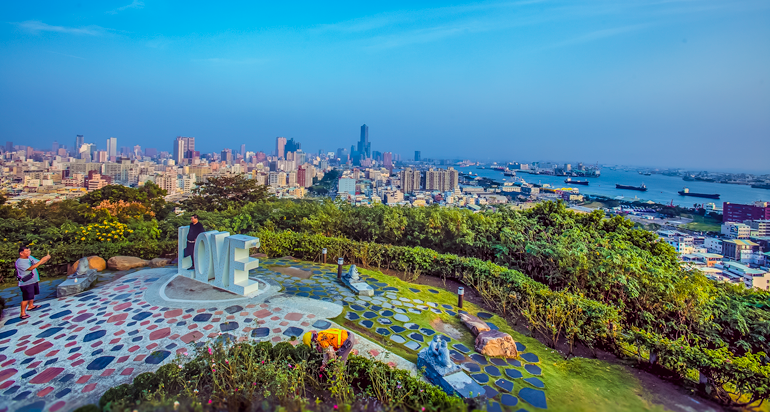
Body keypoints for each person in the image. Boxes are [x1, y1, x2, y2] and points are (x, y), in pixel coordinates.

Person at [15, 245, 50, 320]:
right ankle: (22, 313)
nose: (29, 252)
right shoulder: (20, 262)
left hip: (33, 280)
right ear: (21, 253)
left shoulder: (30, 257)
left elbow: (39, 263)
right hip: (26, 282)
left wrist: (46, 258)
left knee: (32, 294)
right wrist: (41, 260)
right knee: (26, 297)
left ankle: (31, 306)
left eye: (29, 251)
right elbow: (31, 268)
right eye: (26, 251)